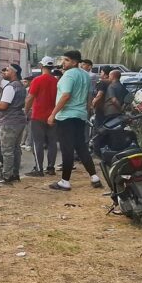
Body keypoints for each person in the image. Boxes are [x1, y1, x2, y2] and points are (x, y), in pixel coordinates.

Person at [48, 50, 102, 191]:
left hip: (66, 116)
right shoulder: (85, 75)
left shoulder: (68, 75)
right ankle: (94, 177)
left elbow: (65, 96)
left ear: (74, 62)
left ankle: (65, 181)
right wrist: (87, 110)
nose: (63, 63)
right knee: (81, 147)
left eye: (66, 60)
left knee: (67, 149)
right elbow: (89, 96)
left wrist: (53, 113)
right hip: (80, 115)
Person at [25, 56, 59, 177]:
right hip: (53, 116)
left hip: (38, 115)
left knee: (37, 143)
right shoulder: (56, 81)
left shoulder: (37, 80)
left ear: (41, 66)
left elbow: (30, 97)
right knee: (52, 143)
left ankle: (39, 169)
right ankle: (51, 168)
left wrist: (25, 110)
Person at [0, 64, 27, 184]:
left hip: (9, 122)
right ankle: (15, 174)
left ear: (14, 72)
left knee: (7, 150)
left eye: (6, 70)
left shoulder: (10, 87)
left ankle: (6, 175)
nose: (4, 72)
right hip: (19, 121)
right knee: (16, 149)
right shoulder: (21, 86)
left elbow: (3, 105)